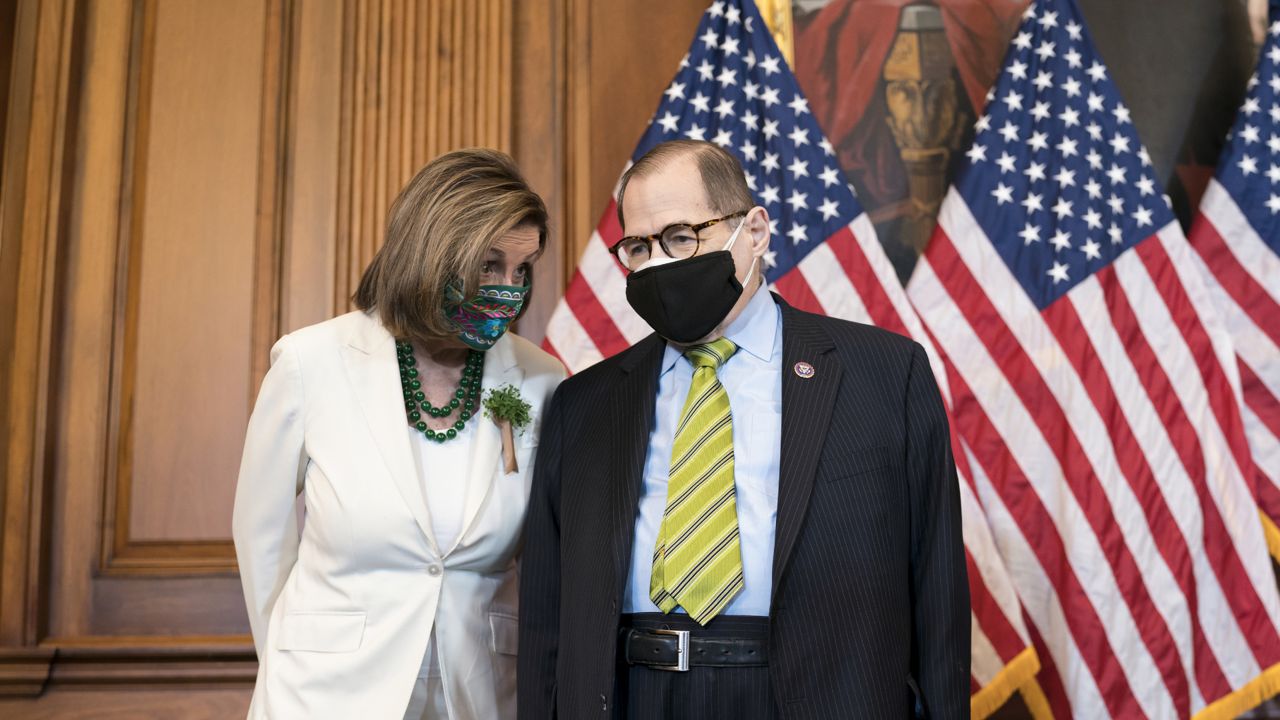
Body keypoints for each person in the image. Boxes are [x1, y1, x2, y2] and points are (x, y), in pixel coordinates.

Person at [518, 140, 969, 719]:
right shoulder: (583, 402)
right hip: (636, 694)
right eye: (638, 247)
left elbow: (938, 594)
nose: (659, 263)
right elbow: (545, 617)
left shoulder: (885, 374)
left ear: (754, 231)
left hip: (809, 695)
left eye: (682, 237)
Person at [233, 148, 565, 719]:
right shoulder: (310, 362)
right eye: (488, 266)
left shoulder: (543, 378)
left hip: (482, 694)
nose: (509, 289)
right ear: (434, 253)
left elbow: (549, 553)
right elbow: (260, 536)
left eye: (522, 270)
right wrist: (290, 658)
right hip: (324, 694)